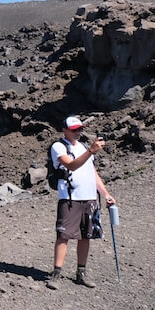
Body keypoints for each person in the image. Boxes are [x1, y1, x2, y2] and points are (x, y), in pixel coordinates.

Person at [46, 115, 116, 289]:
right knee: (63, 235)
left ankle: (81, 273)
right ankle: (56, 273)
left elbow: (93, 173)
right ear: (65, 130)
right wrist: (90, 151)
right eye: (74, 130)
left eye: (80, 129)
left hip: (89, 197)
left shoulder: (84, 147)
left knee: (86, 236)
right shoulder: (59, 147)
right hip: (70, 198)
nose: (78, 132)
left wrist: (105, 193)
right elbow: (71, 165)